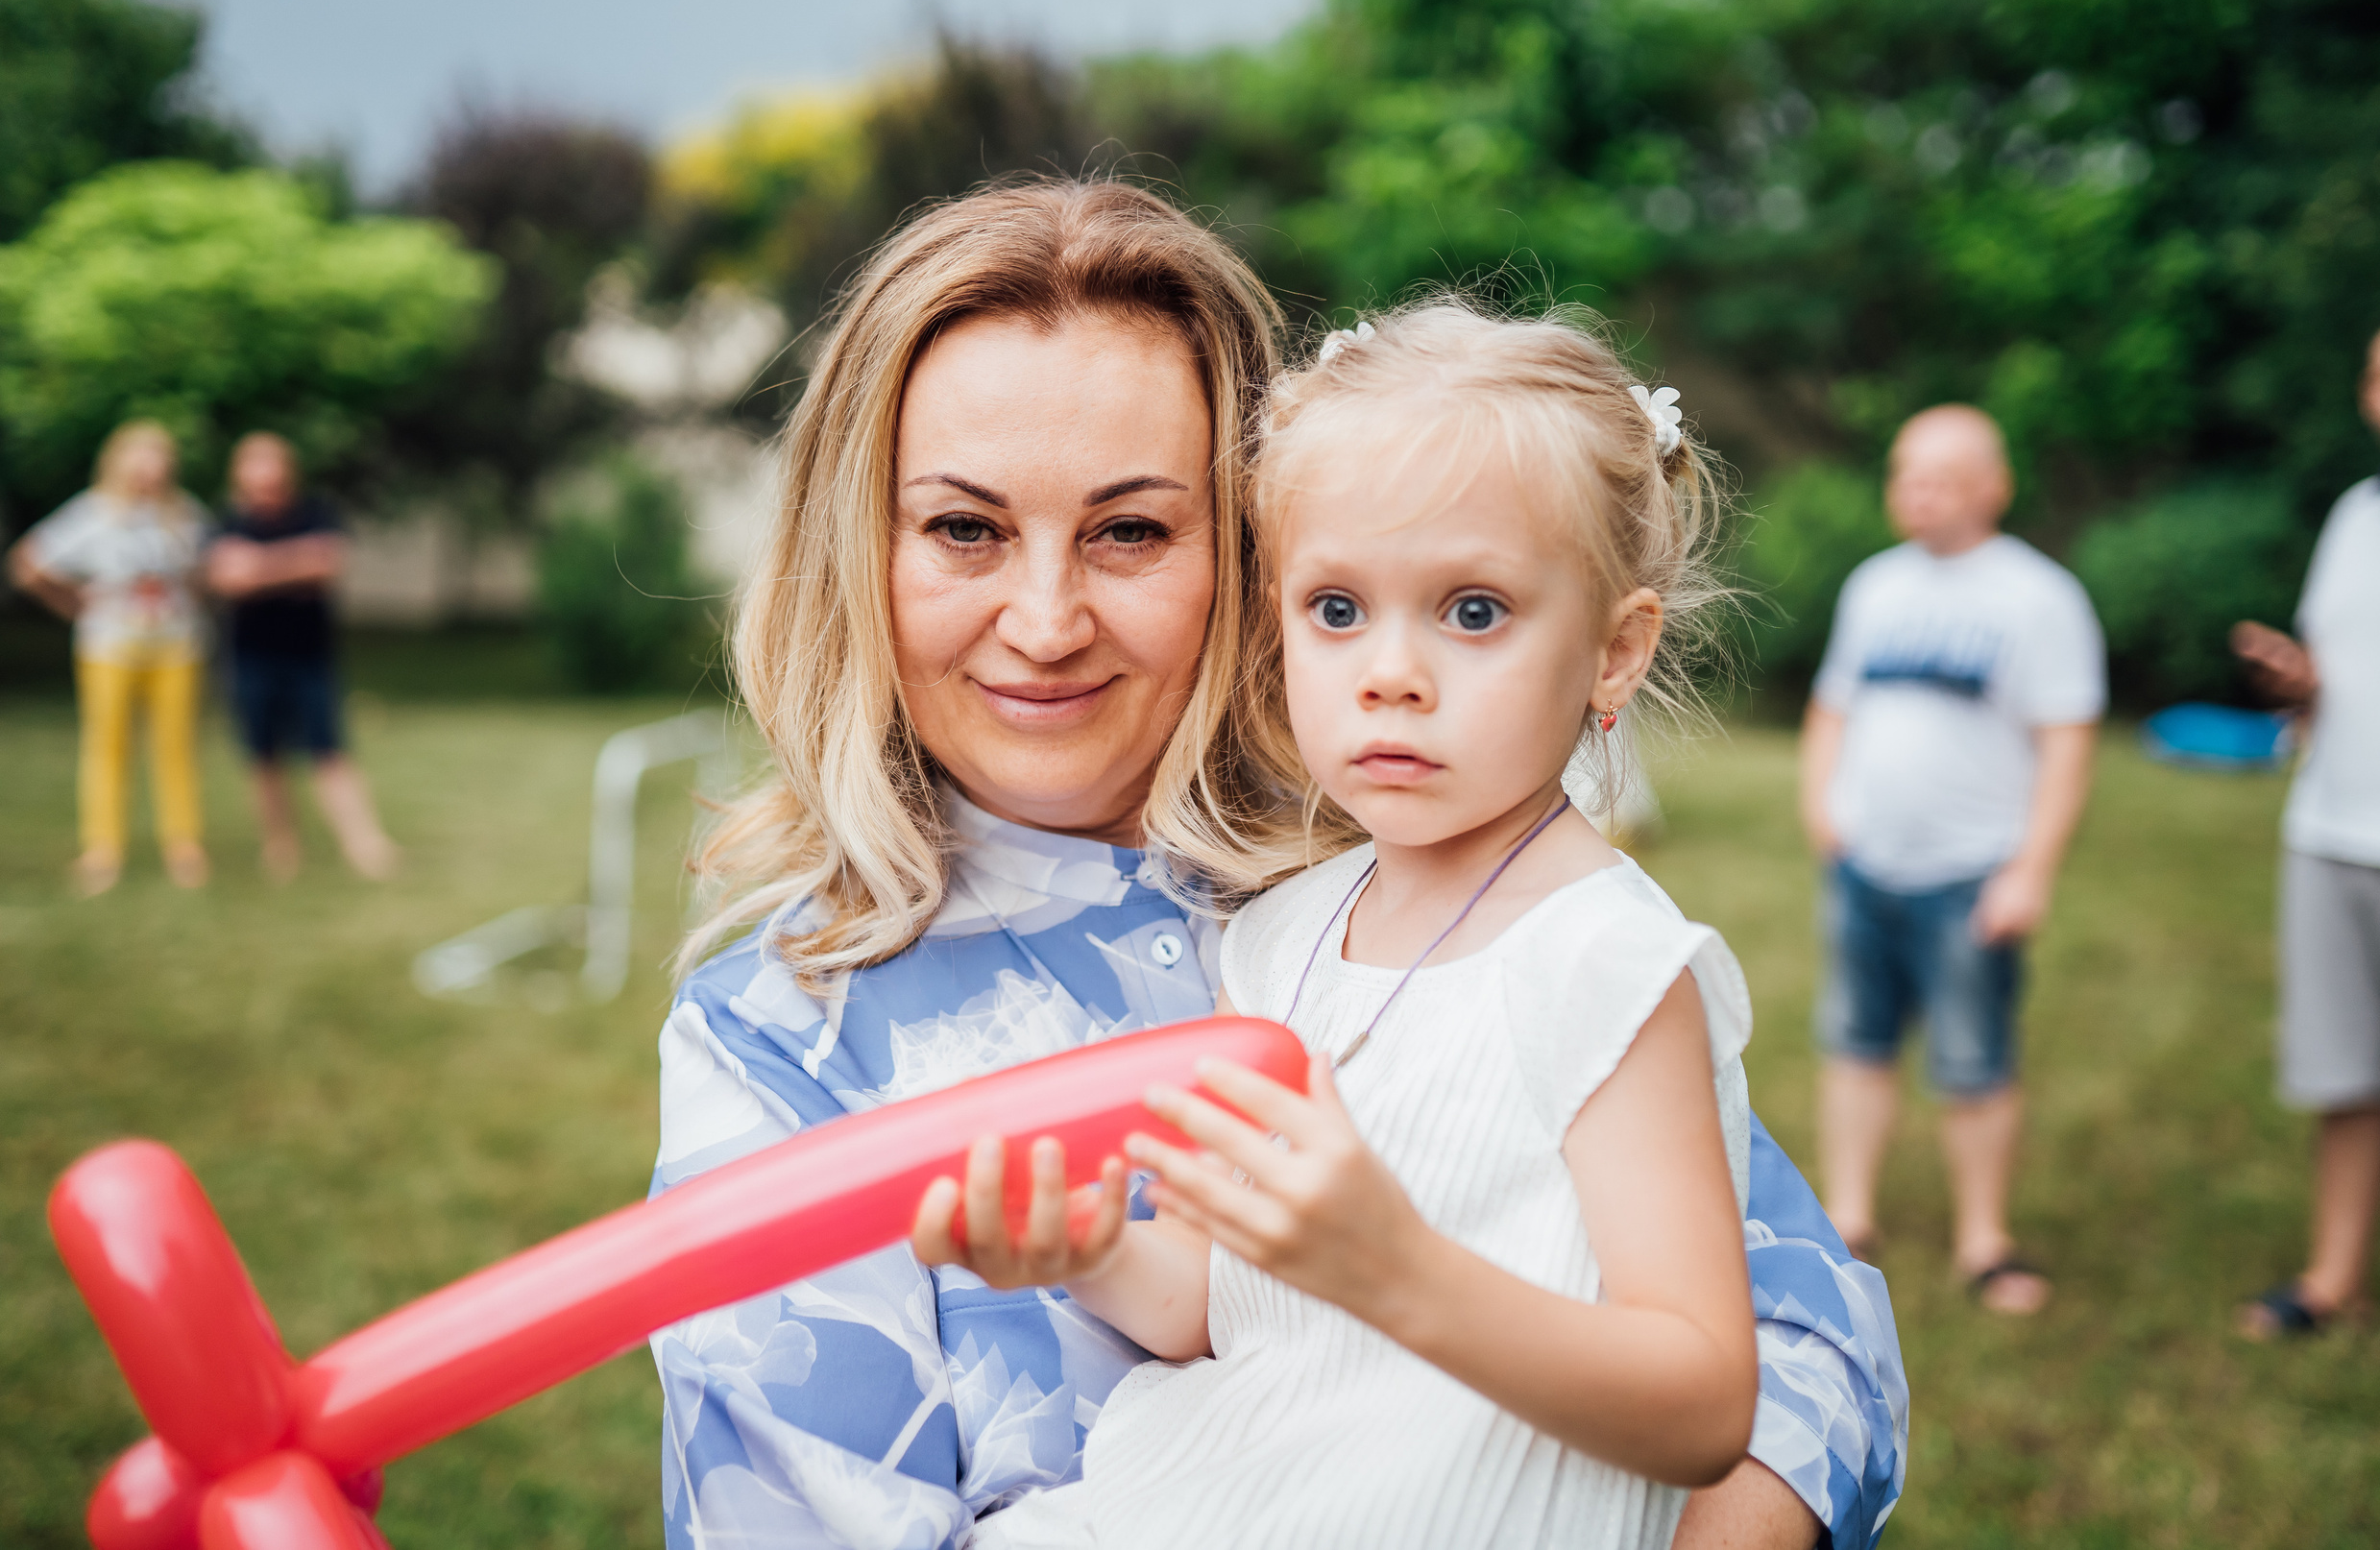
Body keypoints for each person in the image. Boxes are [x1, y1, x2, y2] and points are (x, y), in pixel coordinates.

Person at [652, 182, 1906, 1550]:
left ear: (1242, 554)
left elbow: (1806, 1333)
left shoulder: (1424, 887)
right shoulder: (778, 1044)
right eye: (965, 528)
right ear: (858, 548)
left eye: (1131, 529)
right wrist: (1096, 1251)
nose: (1046, 620)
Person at [931, 301, 1775, 1549]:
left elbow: (1701, 1404)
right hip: (1221, 1495)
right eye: (1336, 609)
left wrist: (1400, 1270)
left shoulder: (1607, 965)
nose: (1390, 673)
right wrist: (1087, 1249)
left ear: (1614, 651)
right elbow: (1217, 1303)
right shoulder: (1280, 937)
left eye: (1472, 610)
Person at [1801, 405, 2103, 1316]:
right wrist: (1823, 807)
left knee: (1974, 1061)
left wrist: (2030, 870)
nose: (1917, 492)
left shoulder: (2039, 597)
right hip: (1865, 865)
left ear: (1992, 486)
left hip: (1972, 873)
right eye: (1906, 474)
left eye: (1939, 476)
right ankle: (1847, 1220)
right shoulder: (1875, 586)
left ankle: (1984, 1242)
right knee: (1855, 1044)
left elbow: (2068, 741)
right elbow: (1833, 707)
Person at [2228, 305, 2380, 1414]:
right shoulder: (2354, 515)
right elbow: (2346, 668)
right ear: (2368, 395)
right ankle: (2335, 1281)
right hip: (2331, 834)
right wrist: (2299, 681)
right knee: (2346, 1074)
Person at [8, 421, 214, 894]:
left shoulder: (185, 514)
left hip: (176, 646)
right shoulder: (93, 512)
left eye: (159, 459)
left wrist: (192, 597)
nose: (150, 470)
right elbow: (27, 563)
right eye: (141, 458)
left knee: (176, 747)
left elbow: (206, 572)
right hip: (110, 647)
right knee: (108, 748)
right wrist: (71, 603)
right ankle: (103, 850)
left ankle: (183, 846)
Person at [204, 432, 398, 882]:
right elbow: (228, 579)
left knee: (329, 750)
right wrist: (295, 562)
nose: (267, 487)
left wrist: (258, 565)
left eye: (274, 477)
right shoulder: (227, 522)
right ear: (241, 478)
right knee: (263, 755)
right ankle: (280, 846)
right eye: (257, 478)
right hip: (251, 656)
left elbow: (327, 563)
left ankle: (364, 843)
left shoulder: (316, 512)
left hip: (310, 656)